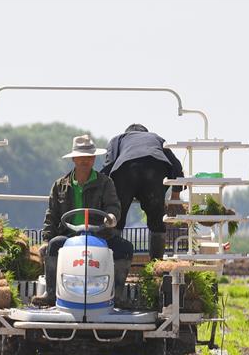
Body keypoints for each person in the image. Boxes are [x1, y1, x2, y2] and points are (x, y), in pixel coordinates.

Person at [32, 134, 134, 307]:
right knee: (54, 244)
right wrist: (47, 239)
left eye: (89, 156)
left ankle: (117, 295)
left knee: (125, 248)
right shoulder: (60, 185)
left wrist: (111, 217)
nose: (85, 160)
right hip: (69, 236)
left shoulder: (105, 183)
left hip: (101, 236)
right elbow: (52, 215)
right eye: (81, 156)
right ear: (74, 159)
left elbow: (113, 206)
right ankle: (50, 294)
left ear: (94, 158)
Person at [100, 124, 185, 260]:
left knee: (116, 217)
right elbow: (176, 165)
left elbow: (108, 166)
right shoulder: (157, 138)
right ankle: (156, 267)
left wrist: (101, 192)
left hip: (125, 170)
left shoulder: (118, 139)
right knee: (157, 222)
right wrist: (176, 194)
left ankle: (111, 262)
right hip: (155, 168)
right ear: (146, 133)